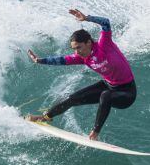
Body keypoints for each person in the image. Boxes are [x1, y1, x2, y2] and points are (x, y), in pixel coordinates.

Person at [27, 8, 136, 140]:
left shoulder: (104, 45)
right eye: (74, 49)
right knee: (71, 98)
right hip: (109, 85)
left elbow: (106, 23)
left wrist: (87, 18)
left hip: (127, 93)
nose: (77, 52)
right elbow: (61, 60)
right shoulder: (82, 57)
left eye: (79, 47)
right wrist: (40, 60)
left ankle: (95, 133)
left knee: (105, 95)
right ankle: (45, 117)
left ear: (88, 42)